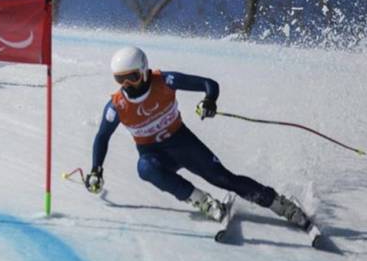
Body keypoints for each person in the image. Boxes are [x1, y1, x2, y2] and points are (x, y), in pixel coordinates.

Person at [84, 46, 310, 229]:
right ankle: (202, 201)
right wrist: (96, 169)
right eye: (119, 79)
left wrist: (209, 100)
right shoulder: (117, 106)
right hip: (155, 156)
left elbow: (209, 84)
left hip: (183, 144)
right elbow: (102, 136)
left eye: (132, 77)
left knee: (223, 179)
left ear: (143, 71)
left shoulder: (164, 81)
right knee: (145, 168)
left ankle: (279, 204)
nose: (126, 85)